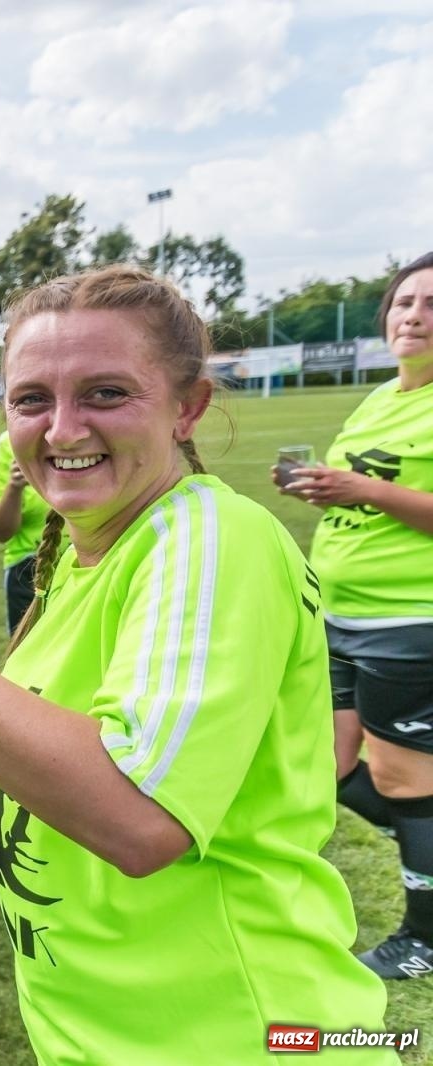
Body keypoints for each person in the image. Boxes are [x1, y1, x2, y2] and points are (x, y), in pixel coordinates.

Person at [0, 265, 391, 1062]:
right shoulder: (95, 548)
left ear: (187, 406)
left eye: (105, 394)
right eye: (31, 401)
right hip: (113, 1032)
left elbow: (141, 818)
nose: (60, 430)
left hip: (238, 1029)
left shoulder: (208, 540)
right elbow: (94, 728)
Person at [279, 251, 433, 980]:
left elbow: (377, 495)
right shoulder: (379, 400)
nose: (414, 315)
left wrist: (363, 492)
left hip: (410, 621)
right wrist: (326, 490)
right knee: (329, 768)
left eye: (432, 304)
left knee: (404, 781)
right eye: (405, 302)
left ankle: (426, 940)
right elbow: (361, 491)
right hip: (338, 615)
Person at [0, 429, 54, 634]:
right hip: (27, 572)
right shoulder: (8, 445)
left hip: (91, 562)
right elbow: (1, 532)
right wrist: (14, 487)